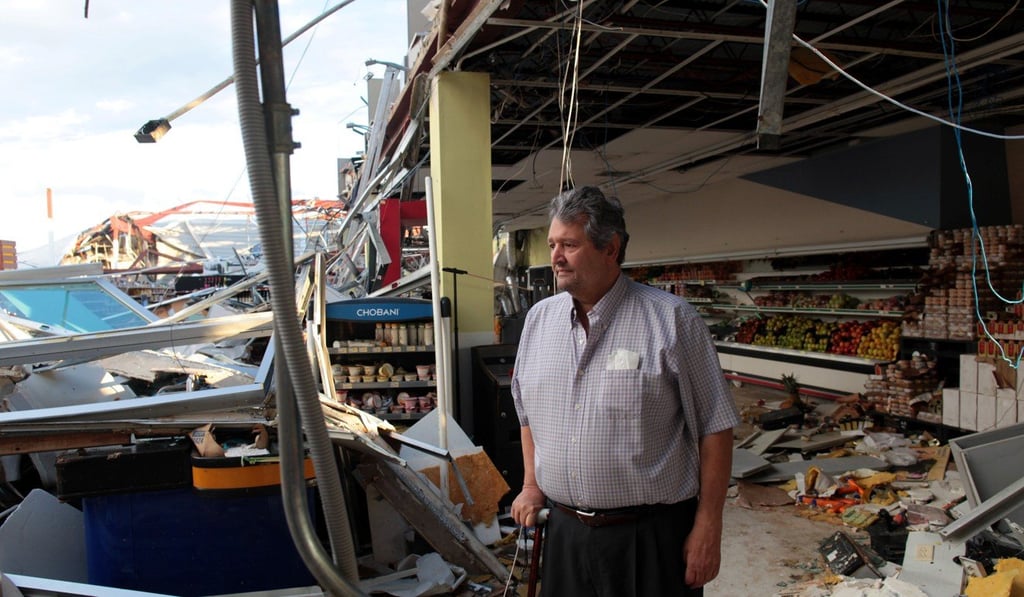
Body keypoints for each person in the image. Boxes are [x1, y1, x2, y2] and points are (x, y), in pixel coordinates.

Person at [510, 186, 740, 596]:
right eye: (552, 244)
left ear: (610, 249)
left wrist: (708, 525)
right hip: (564, 534)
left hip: (649, 539)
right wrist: (531, 485)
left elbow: (716, 427)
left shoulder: (671, 321)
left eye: (570, 245)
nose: (556, 258)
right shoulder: (538, 322)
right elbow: (528, 414)